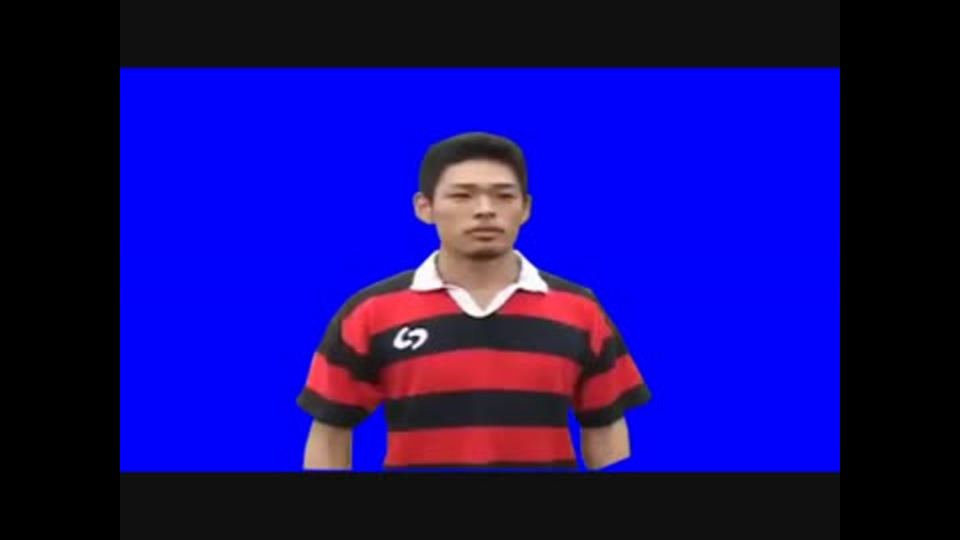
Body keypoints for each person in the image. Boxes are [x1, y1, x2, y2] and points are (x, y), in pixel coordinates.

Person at [296, 131, 651, 470]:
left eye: (503, 196)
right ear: (424, 207)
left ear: (526, 208)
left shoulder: (580, 310)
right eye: (462, 196)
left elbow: (606, 430)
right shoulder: (370, 313)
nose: (485, 210)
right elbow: (331, 430)